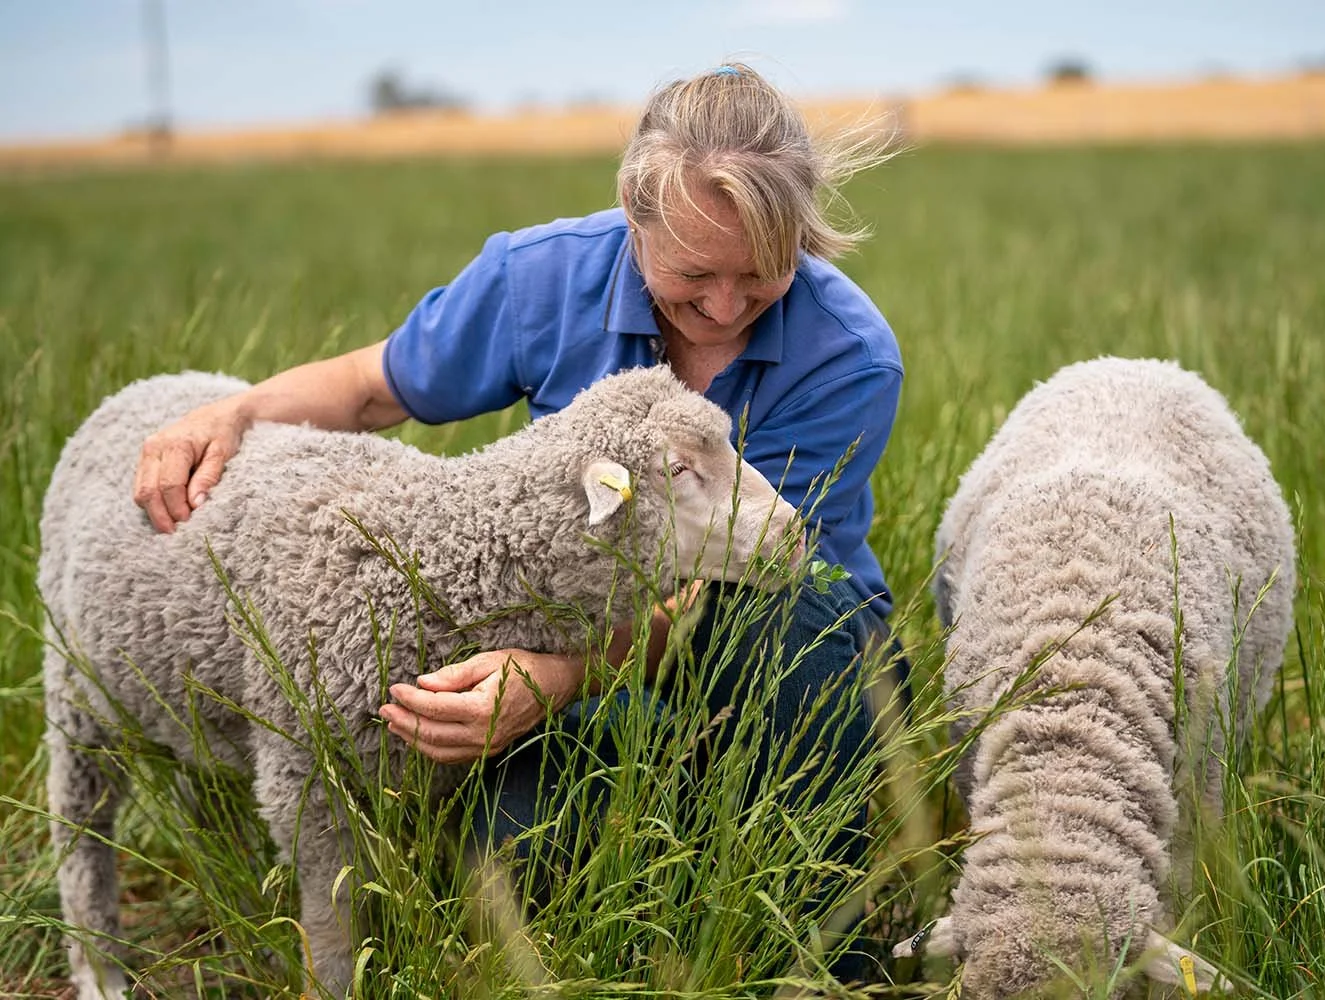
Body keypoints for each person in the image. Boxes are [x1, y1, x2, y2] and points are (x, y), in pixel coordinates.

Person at [132, 62, 903, 962]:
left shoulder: (848, 356)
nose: (725, 307)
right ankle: (680, 853)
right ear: (633, 217)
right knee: (513, 851)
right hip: (584, 637)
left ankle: (820, 947)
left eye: (763, 275)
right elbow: (373, 388)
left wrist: (557, 679)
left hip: (778, 652)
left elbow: (743, 579)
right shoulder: (540, 279)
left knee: (783, 625)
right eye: (693, 272)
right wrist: (233, 413)